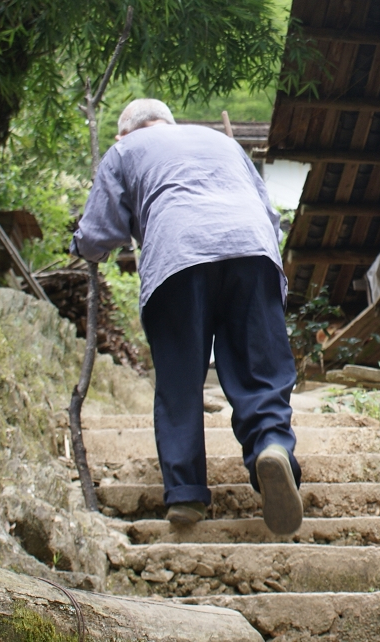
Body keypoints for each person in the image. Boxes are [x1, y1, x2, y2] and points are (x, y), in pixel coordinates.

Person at [71, 98, 303, 534]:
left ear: (126, 131)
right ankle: (271, 446)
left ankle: (186, 495)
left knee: (179, 381)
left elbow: (101, 232)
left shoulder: (125, 150)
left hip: (177, 256)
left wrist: (82, 247)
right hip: (251, 247)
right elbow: (271, 217)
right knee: (261, 370)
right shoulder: (222, 143)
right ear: (169, 122)